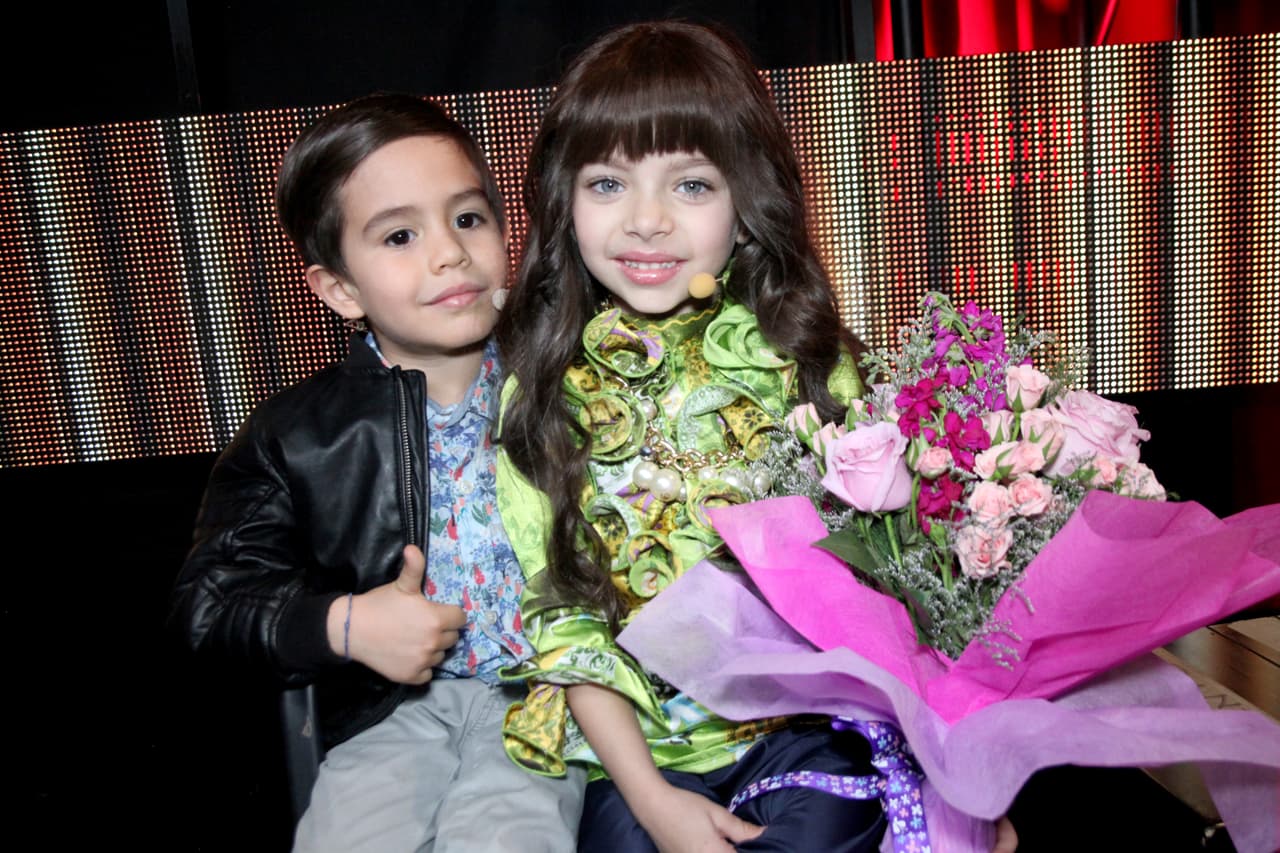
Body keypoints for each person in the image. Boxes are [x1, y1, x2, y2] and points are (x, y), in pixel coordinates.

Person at [494, 21, 886, 853]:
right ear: (563, 201)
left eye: (692, 185)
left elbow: (891, 585)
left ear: (748, 204)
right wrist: (654, 801)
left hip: (805, 731)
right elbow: (563, 620)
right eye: (607, 184)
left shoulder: (806, 363)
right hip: (637, 759)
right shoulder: (539, 398)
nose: (645, 222)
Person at [169, 92, 584, 853]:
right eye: (399, 234)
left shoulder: (572, 380)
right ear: (339, 290)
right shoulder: (298, 433)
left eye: (468, 218)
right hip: (387, 709)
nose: (448, 253)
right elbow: (209, 603)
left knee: (505, 837)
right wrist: (349, 623)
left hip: (547, 700)